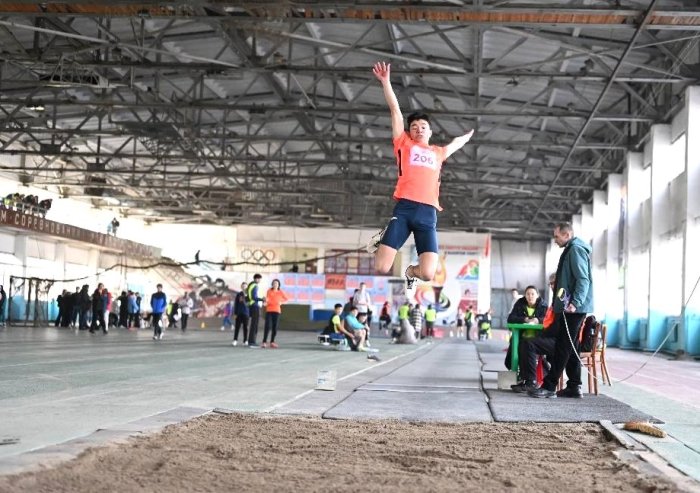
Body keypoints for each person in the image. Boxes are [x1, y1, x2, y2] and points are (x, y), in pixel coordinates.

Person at [369, 61, 474, 290]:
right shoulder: (403, 143)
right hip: (405, 209)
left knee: (427, 273)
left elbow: (455, 144)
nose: (418, 128)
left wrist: (467, 137)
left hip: (428, 214)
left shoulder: (438, 152)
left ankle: (410, 271)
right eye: (414, 126)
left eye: (423, 125)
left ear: (430, 131)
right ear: (409, 131)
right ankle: (386, 236)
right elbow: (395, 110)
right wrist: (386, 82)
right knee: (381, 267)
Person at [528, 222, 593, 399]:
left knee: (563, 346)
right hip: (571, 306)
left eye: (557, 236)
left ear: (567, 235)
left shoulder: (575, 250)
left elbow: (583, 279)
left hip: (574, 307)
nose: (555, 240)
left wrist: (575, 302)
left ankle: (549, 386)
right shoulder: (571, 249)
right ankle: (574, 386)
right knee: (571, 346)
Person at [504, 285, 548, 373]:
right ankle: (516, 371)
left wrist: (538, 320)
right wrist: (524, 319)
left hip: (538, 337)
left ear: (537, 295)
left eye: (532, 294)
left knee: (531, 349)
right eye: (528, 294)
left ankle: (533, 375)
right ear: (525, 295)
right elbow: (511, 318)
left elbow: (548, 319)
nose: (530, 296)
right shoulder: (520, 303)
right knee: (516, 345)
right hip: (521, 335)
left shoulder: (543, 305)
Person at [262, 279, 289, 348]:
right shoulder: (269, 291)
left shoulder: (280, 292)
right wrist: (265, 301)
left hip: (277, 311)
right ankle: (264, 342)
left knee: (275, 327)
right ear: (272, 284)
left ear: (278, 285)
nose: (275, 284)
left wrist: (281, 302)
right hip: (269, 310)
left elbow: (286, 298)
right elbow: (267, 299)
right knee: (267, 326)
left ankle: (272, 342)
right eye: (274, 283)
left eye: (276, 283)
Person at [246, 274, 264, 348]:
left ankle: (251, 341)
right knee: (254, 324)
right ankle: (252, 342)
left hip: (251, 306)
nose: (259, 280)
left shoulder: (250, 285)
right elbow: (254, 297)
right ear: (256, 279)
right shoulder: (255, 285)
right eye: (259, 279)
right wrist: (262, 299)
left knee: (254, 324)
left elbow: (248, 297)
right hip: (254, 306)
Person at [232, 282, 249, 346]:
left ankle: (245, 340)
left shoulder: (249, 294)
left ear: (247, 287)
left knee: (245, 327)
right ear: (241, 287)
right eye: (243, 286)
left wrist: (244, 300)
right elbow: (236, 304)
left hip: (246, 313)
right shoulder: (238, 294)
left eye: (245, 286)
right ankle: (235, 340)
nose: (244, 287)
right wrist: (235, 313)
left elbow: (249, 304)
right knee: (237, 327)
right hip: (239, 313)